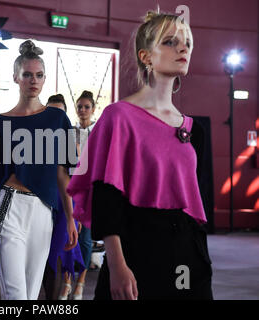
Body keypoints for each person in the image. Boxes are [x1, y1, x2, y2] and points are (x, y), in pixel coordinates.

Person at [67, 11, 213, 300]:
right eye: (171, 42)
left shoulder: (193, 129)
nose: (183, 48)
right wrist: (118, 264)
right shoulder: (119, 117)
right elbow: (107, 195)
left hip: (187, 252)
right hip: (137, 246)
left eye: (187, 42)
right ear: (146, 56)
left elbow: (195, 204)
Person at [0, 40, 78, 300]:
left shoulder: (58, 120)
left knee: (31, 294)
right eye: (28, 75)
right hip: (9, 208)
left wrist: (71, 216)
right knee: (16, 296)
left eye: (39, 75)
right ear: (16, 78)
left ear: (45, 79)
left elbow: (62, 173)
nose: (34, 80)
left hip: (43, 212)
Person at [43, 94, 85, 300]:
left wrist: (75, 215)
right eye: (50, 111)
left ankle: (62, 289)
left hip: (65, 203)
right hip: (42, 202)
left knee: (60, 253)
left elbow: (76, 184)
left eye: (59, 112)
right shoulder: (37, 142)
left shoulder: (72, 145)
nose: (55, 116)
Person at [59, 90, 97, 300]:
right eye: (79, 107)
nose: (82, 110)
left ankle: (80, 282)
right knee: (67, 236)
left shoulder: (99, 132)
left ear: (93, 109)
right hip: (70, 187)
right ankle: (66, 282)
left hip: (90, 191)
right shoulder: (69, 133)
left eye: (86, 107)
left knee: (85, 239)